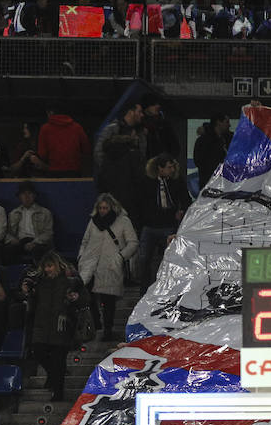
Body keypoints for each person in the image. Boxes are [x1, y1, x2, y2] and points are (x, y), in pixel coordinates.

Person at [18, 252, 87, 400]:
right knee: (38, 352)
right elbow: (32, 301)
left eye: (50, 266)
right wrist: (27, 292)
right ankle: (53, 376)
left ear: (57, 265)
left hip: (62, 326)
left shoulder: (70, 281)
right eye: (45, 266)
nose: (47, 269)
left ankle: (58, 392)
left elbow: (84, 300)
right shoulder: (39, 282)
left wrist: (76, 298)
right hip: (41, 325)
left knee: (59, 360)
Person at [78, 193, 138, 340]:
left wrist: (120, 257)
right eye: (100, 208)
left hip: (110, 265)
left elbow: (133, 242)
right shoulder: (93, 221)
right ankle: (96, 325)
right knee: (88, 297)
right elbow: (85, 240)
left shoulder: (123, 221)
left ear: (112, 207)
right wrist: (81, 256)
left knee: (108, 300)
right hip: (90, 265)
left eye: (105, 208)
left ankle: (107, 330)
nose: (103, 211)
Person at [137, 155, 190, 290]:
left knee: (170, 260)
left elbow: (186, 199)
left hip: (168, 224)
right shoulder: (146, 182)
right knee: (144, 260)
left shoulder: (176, 181)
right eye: (169, 167)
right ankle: (144, 290)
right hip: (150, 225)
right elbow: (139, 202)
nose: (172, 170)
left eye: (172, 167)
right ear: (160, 168)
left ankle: (167, 289)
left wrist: (182, 210)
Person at [94, 103, 147, 210]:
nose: (142, 115)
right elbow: (98, 152)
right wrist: (111, 171)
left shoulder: (140, 132)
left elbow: (142, 156)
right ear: (131, 112)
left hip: (133, 188)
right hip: (113, 186)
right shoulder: (112, 129)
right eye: (139, 112)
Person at [3, 181, 54, 264]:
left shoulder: (45, 212)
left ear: (34, 196)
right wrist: (12, 240)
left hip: (37, 241)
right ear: (19, 197)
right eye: (23, 194)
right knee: (8, 250)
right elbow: (7, 232)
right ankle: (13, 271)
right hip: (20, 241)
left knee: (39, 250)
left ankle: (37, 271)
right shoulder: (13, 213)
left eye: (29, 193)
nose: (27, 197)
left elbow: (48, 233)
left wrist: (35, 242)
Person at [36, 106, 90, 177]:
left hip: (54, 171)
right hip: (74, 171)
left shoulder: (45, 128)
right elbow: (86, 149)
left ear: (50, 113)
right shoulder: (77, 127)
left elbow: (42, 154)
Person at [193, 114, 231, 187]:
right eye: (227, 122)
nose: (229, 125)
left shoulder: (225, 139)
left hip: (221, 183)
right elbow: (199, 161)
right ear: (219, 122)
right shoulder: (204, 141)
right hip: (210, 183)